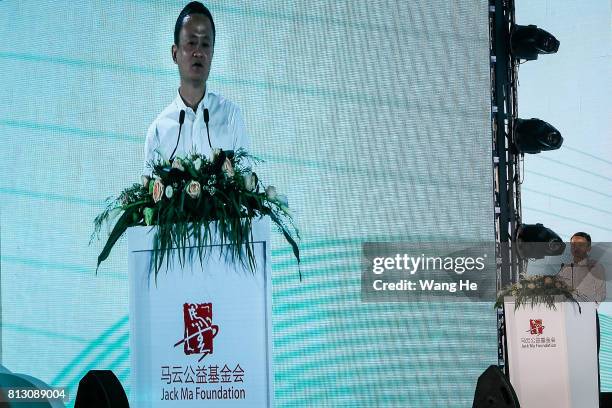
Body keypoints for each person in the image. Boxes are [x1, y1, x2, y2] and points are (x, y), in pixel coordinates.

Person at [143, 1, 249, 178]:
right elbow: (149, 196)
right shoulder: (159, 130)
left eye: (205, 44)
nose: (198, 52)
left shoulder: (230, 116)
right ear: (174, 54)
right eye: (191, 43)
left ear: (213, 53)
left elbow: (246, 187)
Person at [557, 232, 606, 303]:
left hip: (587, 310)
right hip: (566, 310)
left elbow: (601, 294)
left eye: (580, 245)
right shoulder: (565, 268)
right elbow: (556, 288)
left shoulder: (596, 267)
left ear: (589, 248)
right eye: (573, 245)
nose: (576, 248)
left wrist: (588, 307)